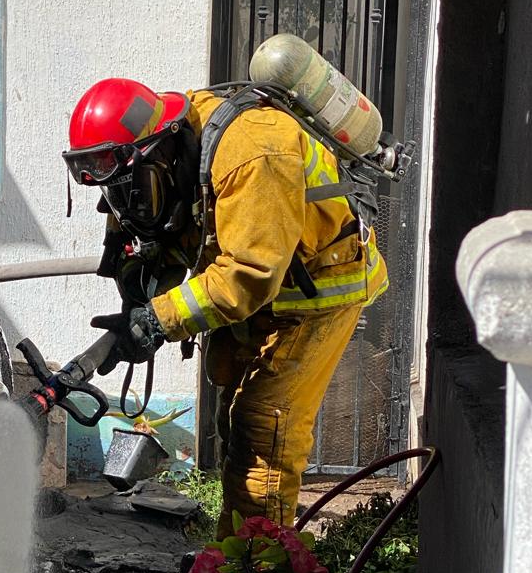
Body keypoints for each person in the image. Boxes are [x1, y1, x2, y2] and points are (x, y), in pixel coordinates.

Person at [63, 77, 388, 537]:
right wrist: (135, 301)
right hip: (266, 288)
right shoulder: (165, 152)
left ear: (157, 151)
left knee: (264, 432)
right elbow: (156, 235)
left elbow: (248, 274)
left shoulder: (256, 152)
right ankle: (230, 558)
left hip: (318, 289)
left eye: (127, 185)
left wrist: (158, 321)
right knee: (231, 418)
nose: (122, 199)